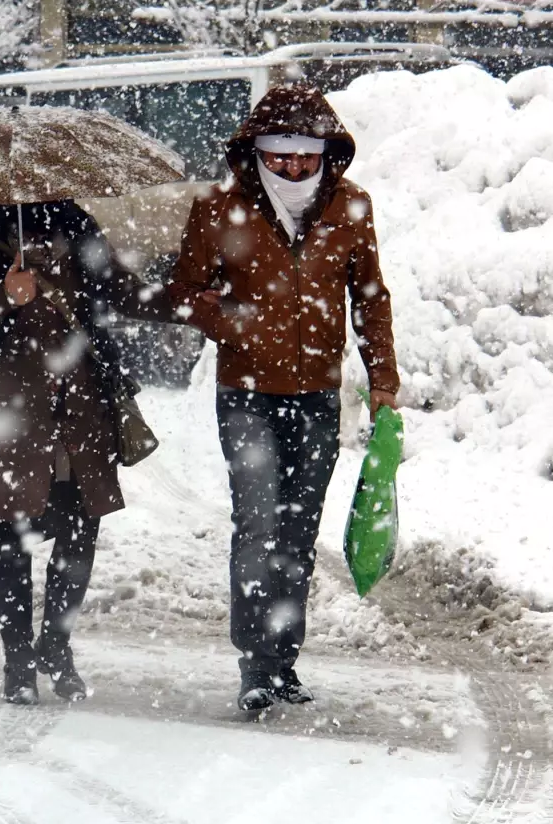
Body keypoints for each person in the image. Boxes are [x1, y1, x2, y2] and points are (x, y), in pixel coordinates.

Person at [169, 84, 399, 712]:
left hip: (319, 394)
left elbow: (370, 297)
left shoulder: (350, 207)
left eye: (306, 155)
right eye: (280, 156)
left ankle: (283, 661)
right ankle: (253, 666)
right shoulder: (219, 209)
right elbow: (182, 293)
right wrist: (227, 319)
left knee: (298, 530)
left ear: (327, 152)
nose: (295, 167)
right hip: (246, 394)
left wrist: (383, 381)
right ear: (256, 153)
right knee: (258, 521)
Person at [0, 200, 171, 705]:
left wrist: (199, 302)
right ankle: (17, 662)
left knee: (80, 536)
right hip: (10, 419)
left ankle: (56, 648)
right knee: (8, 545)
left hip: (79, 412)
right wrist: (5, 296)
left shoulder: (79, 230)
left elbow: (125, 293)